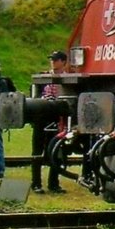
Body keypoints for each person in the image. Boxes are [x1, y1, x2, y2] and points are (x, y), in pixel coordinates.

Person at [31, 51, 68, 193]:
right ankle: (36, 183)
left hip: (58, 119)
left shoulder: (68, 79)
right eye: (52, 59)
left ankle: (53, 183)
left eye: (56, 59)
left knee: (56, 151)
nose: (53, 62)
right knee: (37, 151)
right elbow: (35, 96)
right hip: (41, 117)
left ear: (63, 62)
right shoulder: (43, 77)